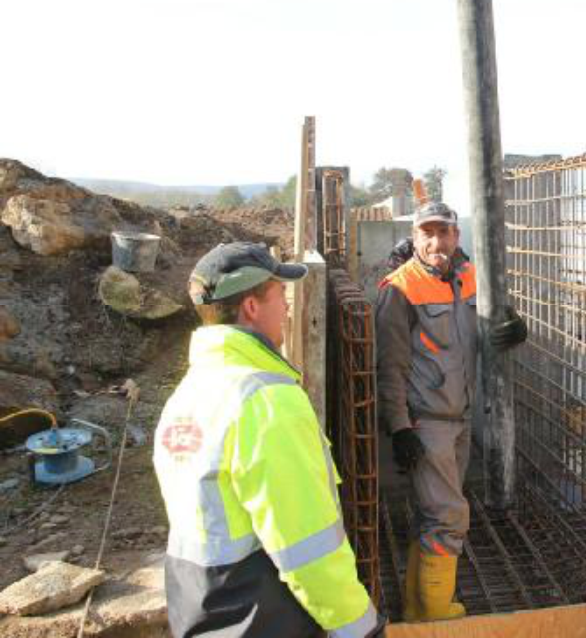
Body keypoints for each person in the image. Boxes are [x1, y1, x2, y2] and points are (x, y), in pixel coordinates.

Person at [153, 242, 383, 638]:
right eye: (280, 295)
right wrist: (358, 626)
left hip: (201, 611)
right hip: (261, 617)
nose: (289, 308)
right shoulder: (265, 401)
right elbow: (306, 548)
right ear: (252, 307)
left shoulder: (189, 394)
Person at [376, 202, 526, 622]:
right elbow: (390, 367)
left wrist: (513, 329)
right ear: (415, 236)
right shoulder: (399, 289)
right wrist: (400, 427)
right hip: (426, 424)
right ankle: (440, 620)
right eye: (427, 233)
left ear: (456, 236)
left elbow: (488, 327)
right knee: (449, 518)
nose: (436, 241)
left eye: (444, 233)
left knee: (434, 519)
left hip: (459, 419)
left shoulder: (470, 277)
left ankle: (418, 612)